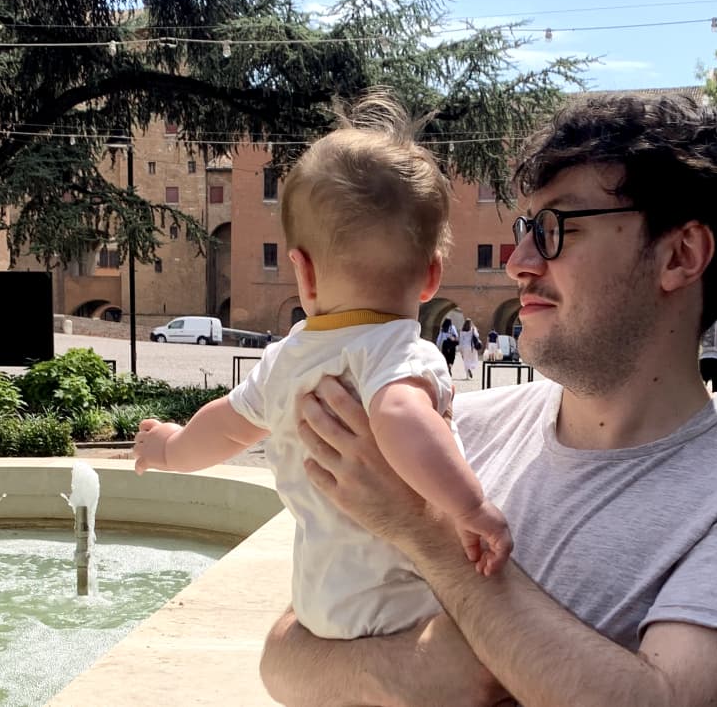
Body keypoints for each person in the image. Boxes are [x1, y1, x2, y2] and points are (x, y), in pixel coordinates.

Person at [261, 93, 717, 707]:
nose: (519, 263)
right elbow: (282, 655)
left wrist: (421, 531)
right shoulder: (451, 429)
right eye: (524, 226)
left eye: (554, 228)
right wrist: (423, 670)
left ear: (679, 255)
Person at [131, 91, 512, 640]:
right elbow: (402, 416)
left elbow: (225, 424)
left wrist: (168, 449)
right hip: (402, 602)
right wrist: (471, 506)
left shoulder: (284, 360)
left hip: (319, 603)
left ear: (302, 274)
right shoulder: (397, 350)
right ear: (433, 277)